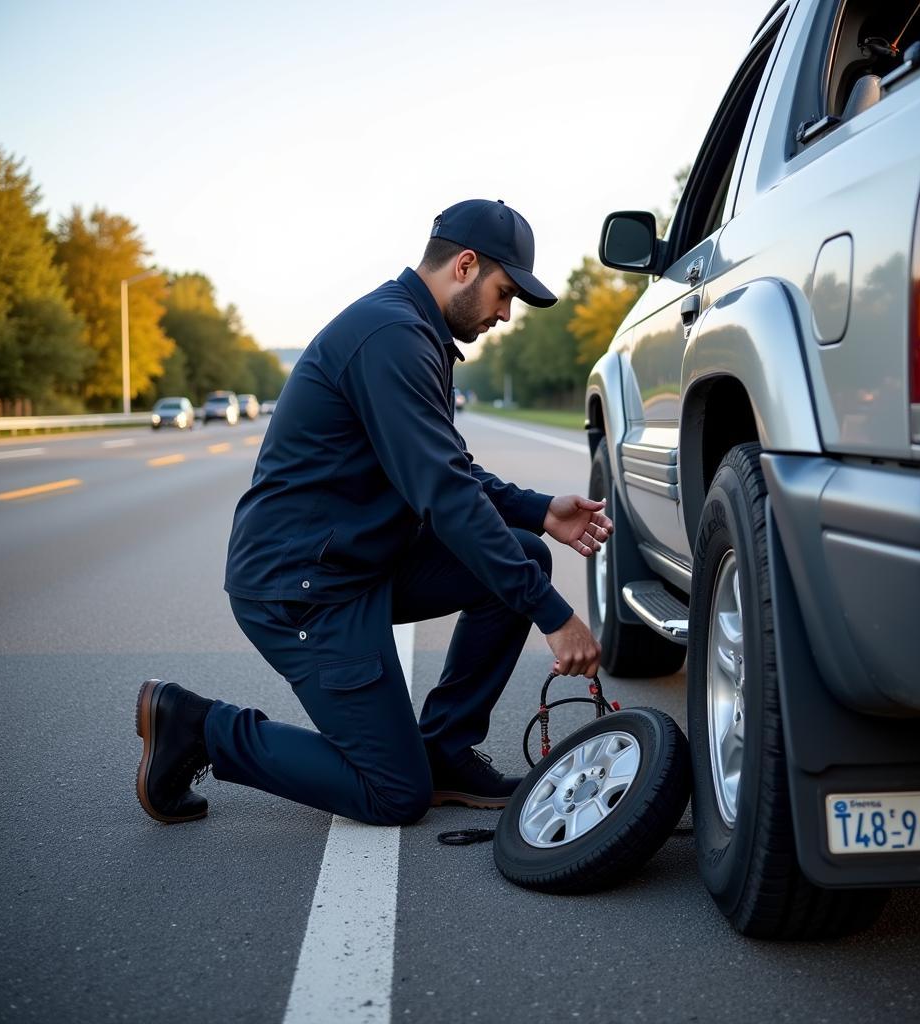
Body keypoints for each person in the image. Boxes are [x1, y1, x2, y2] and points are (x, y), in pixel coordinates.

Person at [135, 199, 612, 827]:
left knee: (525, 553)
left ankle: (443, 751)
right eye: (504, 293)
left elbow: (448, 469)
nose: (505, 313)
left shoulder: (417, 333)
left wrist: (539, 509)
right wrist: (555, 617)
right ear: (465, 266)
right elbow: (444, 497)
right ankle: (197, 727)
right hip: (301, 587)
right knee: (392, 794)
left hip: (356, 566)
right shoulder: (391, 338)